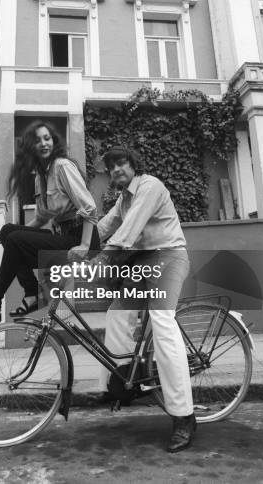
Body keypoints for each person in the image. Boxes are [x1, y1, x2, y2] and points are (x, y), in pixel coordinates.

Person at [95, 146, 196, 453]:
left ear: (133, 165)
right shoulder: (123, 199)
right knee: (116, 314)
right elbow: (105, 226)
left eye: (120, 163)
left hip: (169, 256)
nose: (115, 170)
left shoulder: (149, 186)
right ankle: (126, 379)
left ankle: (183, 415)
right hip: (143, 262)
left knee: (162, 322)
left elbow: (128, 230)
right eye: (110, 167)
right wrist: (75, 244)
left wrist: (104, 256)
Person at [0, 121, 99, 336]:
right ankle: (31, 293)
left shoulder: (62, 166)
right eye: (37, 140)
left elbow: (89, 206)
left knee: (15, 238)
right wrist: (8, 235)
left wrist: (84, 245)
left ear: (53, 141)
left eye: (47, 138)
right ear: (31, 146)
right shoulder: (40, 176)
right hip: (62, 237)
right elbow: (40, 218)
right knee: (9, 231)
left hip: (81, 239)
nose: (44, 143)